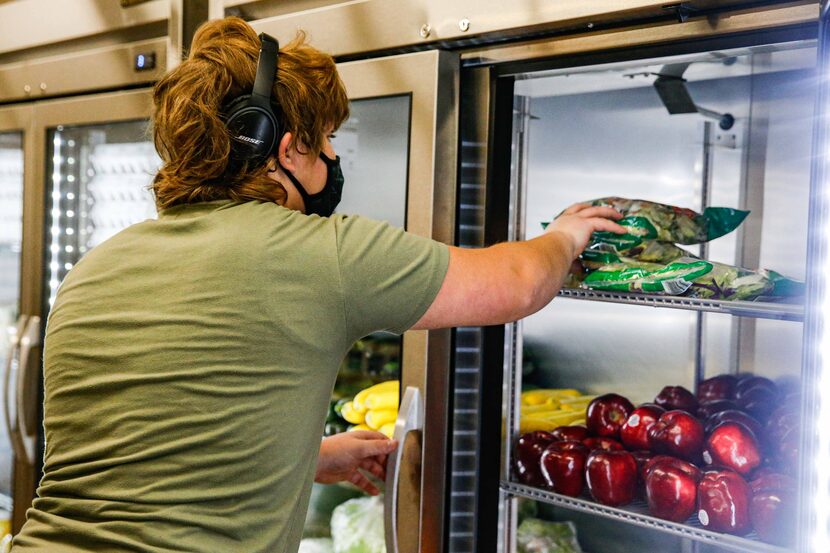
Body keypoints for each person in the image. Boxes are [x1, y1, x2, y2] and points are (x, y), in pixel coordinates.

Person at [11, 17, 624, 553]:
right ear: (282, 148)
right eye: (327, 138)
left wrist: (315, 458)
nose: (332, 156)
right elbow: (516, 283)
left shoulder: (96, 267)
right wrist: (568, 235)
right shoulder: (319, 254)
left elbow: (152, 452)